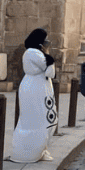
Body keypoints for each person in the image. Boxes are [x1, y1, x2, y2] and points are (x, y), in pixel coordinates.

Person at [11, 28, 57, 162]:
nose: (48, 42)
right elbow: (49, 71)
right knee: (35, 120)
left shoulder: (34, 52)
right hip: (34, 88)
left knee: (44, 119)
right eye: (46, 40)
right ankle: (30, 152)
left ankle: (42, 149)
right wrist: (47, 53)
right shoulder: (33, 53)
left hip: (38, 86)